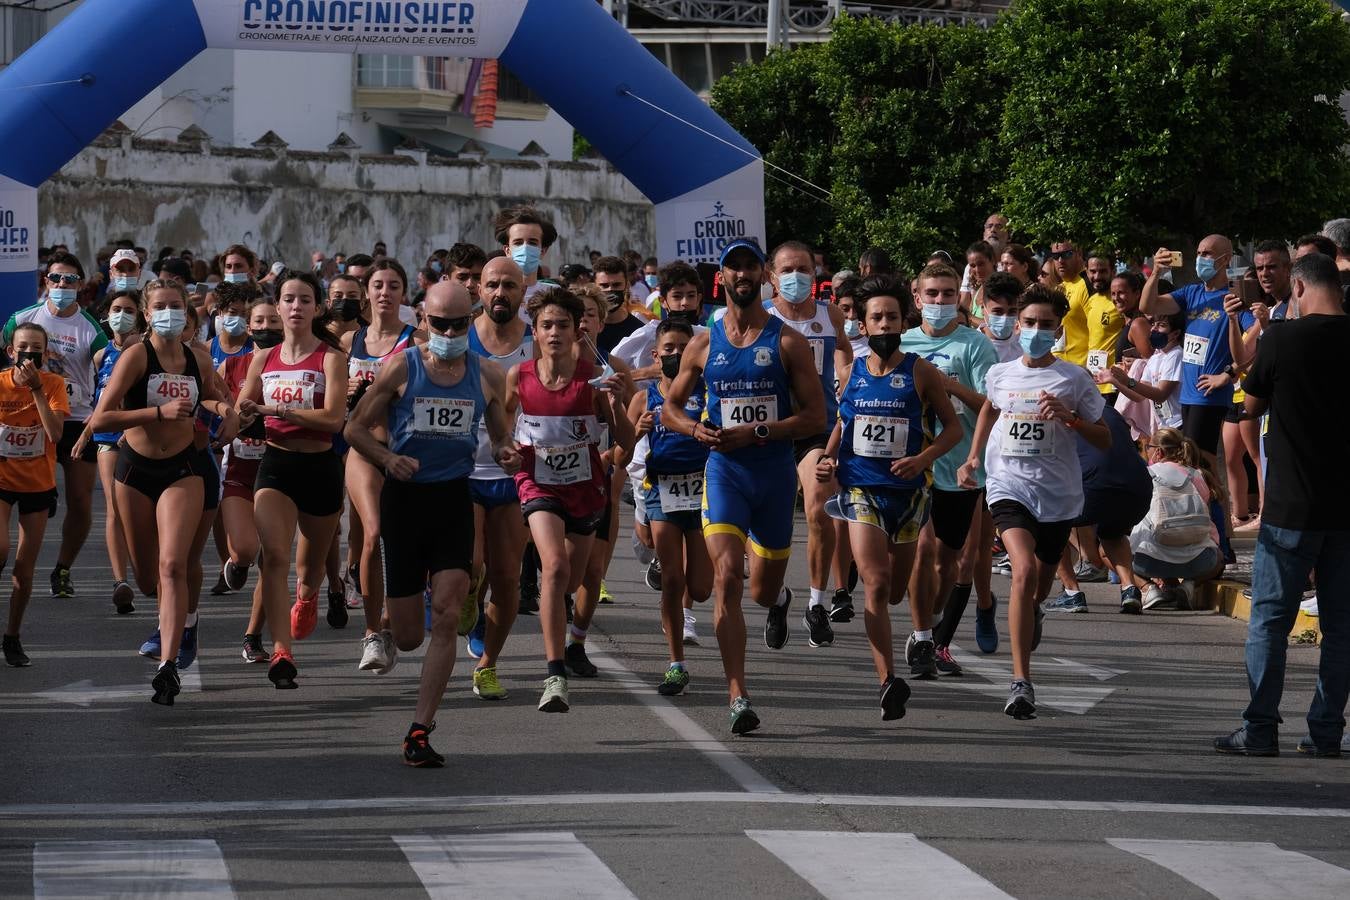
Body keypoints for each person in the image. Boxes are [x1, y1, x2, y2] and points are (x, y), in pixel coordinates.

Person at [347, 280, 520, 766]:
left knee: (446, 612)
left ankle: (420, 729)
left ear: (472, 320)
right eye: (439, 323)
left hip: (452, 501)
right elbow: (354, 428)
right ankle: (396, 618)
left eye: (458, 324)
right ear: (423, 320)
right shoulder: (402, 366)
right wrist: (386, 459)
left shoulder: (486, 374)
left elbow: (501, 436)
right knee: (408, 636)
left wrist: (508, 453)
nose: (448, 331)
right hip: (405, 502)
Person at [662, 238, 825, 734]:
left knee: (760, 590)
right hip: (724, 472)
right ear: (723, 279)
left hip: (773, 477)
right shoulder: (703, 342)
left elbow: (816, 416)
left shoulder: (787, 341)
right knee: (727, 575)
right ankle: (738, 694)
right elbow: (669, 407)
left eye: (751, 265)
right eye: (734, 267)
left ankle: (778, 601)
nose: (742, 274)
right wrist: (695, 429)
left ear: (765, 277)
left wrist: (756, 432)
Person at [1214, 252, 1350, 757]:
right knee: (1341, 627)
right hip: (1346, 509)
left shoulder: (1282, 339)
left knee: (1270, 621)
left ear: (1297, 288)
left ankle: (1260, 727)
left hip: (1292, 504)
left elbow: (1249, 406)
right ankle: (1326, 733)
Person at [958, 285, 1110, 720]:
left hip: (1058, 496)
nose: (1035, 331)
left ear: (1058, 330)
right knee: (1021, 571)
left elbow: (1104, 438)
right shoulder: (1002, 374)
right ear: (1018, 326)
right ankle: (1021, 681)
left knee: (1039, 585)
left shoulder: (1074, 378)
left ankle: (1035, 609)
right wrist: (974, 457)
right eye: (1029, 323)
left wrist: (1070, 417)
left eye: (1045, 325)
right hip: (1009, 486)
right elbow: (989, 408)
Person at [816, 275, 962, 720]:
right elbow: (844, 422)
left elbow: (952, 428)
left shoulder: (922, 372)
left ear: (903, 321)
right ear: (862, 323)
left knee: (897, 590)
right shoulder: (852, 372)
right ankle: (887, 680)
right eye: (876, 317)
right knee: (876, 584)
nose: (884, 325)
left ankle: (903, 644)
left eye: (892, 317)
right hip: (862, 491)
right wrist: (827, 456)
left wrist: (924, 460)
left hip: (910, 496)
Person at [90, 280, 236, 704]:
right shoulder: (137, 356)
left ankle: (168, 665)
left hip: (183, 469)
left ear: (188, 316)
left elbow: (213, 397)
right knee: (149, 580)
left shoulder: (198, 358)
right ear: (146, 314)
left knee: (173, 566)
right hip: (135, 468)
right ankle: (177, 623)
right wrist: (157, 412)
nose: (169, 313)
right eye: (160, 306)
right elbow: (102, 419)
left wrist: (226, 411)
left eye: (177, 306)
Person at [508, 287, 633, 713]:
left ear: (578, 331)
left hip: (586, 489)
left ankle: (571, 635)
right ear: (535, 331)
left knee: (577, 579)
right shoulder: (519, 377)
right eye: (547, 325)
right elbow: (502, 426)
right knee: (555, 568)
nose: (555, 332)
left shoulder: (594, 380)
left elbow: (627, 445)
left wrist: (615, 405)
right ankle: (555, 674)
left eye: (563, 325)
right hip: (538, 484)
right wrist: (505, 451)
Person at [238, 271, 348, 690]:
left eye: (305, 299)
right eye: (288, 299)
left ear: (317, 308)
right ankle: (282, 650)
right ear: (278, 307)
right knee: (275, 558)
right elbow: (245, 409)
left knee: (309, 568)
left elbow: (334, 419)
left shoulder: (331, 358)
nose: (296, 306)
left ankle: (307, 595)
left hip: (320, 468)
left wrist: (281, 412)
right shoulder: (263, 359)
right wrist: (234, 414)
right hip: (276, 465)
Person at [902, 262, 997, 678]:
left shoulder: (974, 344)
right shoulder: (901, 342)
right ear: (917, 296)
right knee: (921, 551)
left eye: (946, 294)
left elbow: (989, 408)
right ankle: (923, 637)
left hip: (959, 469)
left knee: (949, 563)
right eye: (932, 294)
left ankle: (935, 621)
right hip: (913, 466)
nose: (939, 302)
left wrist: (947, 384)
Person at [761, 241, 853, 650]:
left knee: (819, 504)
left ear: (815, 277)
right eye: (787, 269)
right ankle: (777, 598)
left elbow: (846, 353)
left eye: (804, 269)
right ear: (771, 276)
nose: (796, 276)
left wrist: (847, 376)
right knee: (763, 526)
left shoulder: (829, 314)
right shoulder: (760, 317)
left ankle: (816, 603)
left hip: (815, 429)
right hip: (767, 431)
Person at [2, 251, 107, 601]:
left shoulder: (90, 328)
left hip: (76, 418)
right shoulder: (23, 318)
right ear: (45, 282)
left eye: (70, 280)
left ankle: (63, 568)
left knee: (80, 502)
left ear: (80, 285)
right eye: (56, 279)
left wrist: (100, 412)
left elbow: (106, 373)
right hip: (32, 417)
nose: (62, 285)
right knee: (22, 493)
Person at [626, 319, 711, 695]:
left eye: (683, 347)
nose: (676, 354)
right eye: (669, 349)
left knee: (702, 588)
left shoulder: (709, 392)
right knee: (673, 581)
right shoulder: (644, 399)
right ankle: (676, 663)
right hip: (662, 492)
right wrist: (636, 431)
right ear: (655, 355)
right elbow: (619, 454)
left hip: (705, 491)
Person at [343, 260, 420, 673]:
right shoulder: (349, 341)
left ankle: (390, 621)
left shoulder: (416, 342)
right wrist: (351, 393)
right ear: (367, 292)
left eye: (393, 285)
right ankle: (372, 633)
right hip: (362, 449)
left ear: (403, 293)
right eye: (377, 285)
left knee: (408, 539)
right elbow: (333, 401)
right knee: (374, 533)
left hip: (405, 452)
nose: (385, 292)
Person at [465, 256, 533, 699]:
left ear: (523, 290)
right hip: (463, 471)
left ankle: (489, 663)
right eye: (492, 284)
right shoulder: (456, 335)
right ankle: (467, 607)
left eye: (509, 285)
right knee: (469, 565)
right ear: (479, 290)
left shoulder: (541, 339)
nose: (500, 293)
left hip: (518, 474)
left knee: (507, 576)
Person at [1140, 235, 1254, 461]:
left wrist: (1228, 373)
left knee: (1200, 460)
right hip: (1188, 393)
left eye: (1207, 254)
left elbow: (1255, 340)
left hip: (1210, 394)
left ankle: (1213, 497)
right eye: (1199, 253)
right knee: (1193, 461)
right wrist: (1155, 273)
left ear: (1226, 259)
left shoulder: (1233, 298)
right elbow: (1147, 306)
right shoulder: (1191, 293)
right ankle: (1207, 496)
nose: (1201, 258)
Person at [0, 325, 70, 667]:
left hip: (37, 484)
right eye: (22, 347)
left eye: (36, 348)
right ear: (11, 351)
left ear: (45, 353)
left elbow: (55, 433)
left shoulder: (54, 384)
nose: (28, 353)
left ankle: (12, 636)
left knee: (24, 570)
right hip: (1, 479)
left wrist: (38, 389)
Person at [71, 290, 144, 613]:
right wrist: (86, 433)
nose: (122, 315)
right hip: (108, 437)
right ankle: (120, 581)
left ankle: (151, 572)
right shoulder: (101, 356)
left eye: (128, 309)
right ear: (107, 314)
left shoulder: (146, 349)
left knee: (142, 510)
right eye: (116, 309)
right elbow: (98, 402)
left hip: (143, 435)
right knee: (114, 507)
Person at [1048, 406, 1152, 613]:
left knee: (1050, 525)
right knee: (1113, 533)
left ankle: (1071, 593)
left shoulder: (1059, 412)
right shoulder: (1110, 411)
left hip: (1094, 484)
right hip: (1138, 487)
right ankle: (1129, 589)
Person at [223, 297, 281, 663]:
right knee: (246, 550)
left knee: (273, 557)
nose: (265, 328)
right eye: (258, 321)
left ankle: (252, 635)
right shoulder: (231, 366)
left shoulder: (296, 366)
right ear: (248, 327)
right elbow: (214, 411)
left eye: (272, 321)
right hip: (238, 474)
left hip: (278, 474)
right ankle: (238, 562)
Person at [1130, 427, 1224, 611]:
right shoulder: (1197, 475)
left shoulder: (1145, 474)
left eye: (1147, 446)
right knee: (1219, 559)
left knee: (1108, 550)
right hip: (1197, 561)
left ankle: (1148, 588)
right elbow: (1207, 522)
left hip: (1149, 561)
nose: (1145, 450)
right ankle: (1188, 585)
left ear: (1158, 451)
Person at [611, 263, 707, 381]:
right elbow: (607, 374)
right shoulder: (648, 334)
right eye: (677, 296)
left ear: (698, 299)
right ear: (663, 301)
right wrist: (645, 373)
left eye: (691, 295)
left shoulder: (708, 337)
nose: (685, 303)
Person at [495, 206, 558, 308]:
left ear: (542, 251)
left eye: (532, 243)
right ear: (507, 250)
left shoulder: (554, 294)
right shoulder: (496, 294)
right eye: (518, 243)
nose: (525, 248)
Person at [592, 256, 647, 358]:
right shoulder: (587, 330)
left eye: (616, 285)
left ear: (626, 286)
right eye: (604, 286)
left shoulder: (638, 331)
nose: (610, 290)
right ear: (594, 287)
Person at [1047, 240, 1089, 365]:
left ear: (1079, 253)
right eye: (1055, 256)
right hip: (1057, 366)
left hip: (1081, 367)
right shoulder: (1058, 288)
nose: (1060, 260)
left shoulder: (1087, 285)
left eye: (1067, 254)